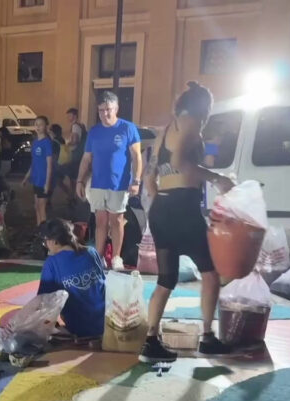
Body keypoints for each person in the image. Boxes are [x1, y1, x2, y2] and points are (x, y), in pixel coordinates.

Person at [141, 81, 236, 364]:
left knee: (165, 280)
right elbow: (180, 161)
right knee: (211, 273)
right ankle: (207, 337)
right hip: (183, 208)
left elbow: (149, 177)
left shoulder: (165, 131)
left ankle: (150, 341)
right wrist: (217, 178)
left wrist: (161, 202)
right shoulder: (191, 124)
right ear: (203, 109)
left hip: (162, 208)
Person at [76, 91, 144, 271]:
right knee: (100, 221)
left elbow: (137, 156)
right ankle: (99, 258)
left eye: (108, 109)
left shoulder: (127, 128)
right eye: (101, 110)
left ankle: (116, 257)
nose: (104, 114)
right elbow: (86, 158)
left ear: (116, 108)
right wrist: (79, 181)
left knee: (117, 221)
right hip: (98, 183)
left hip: (119, 184)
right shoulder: (94, 132)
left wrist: (136, 181)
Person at [38, 219, 105, 339]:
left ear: (54, 241)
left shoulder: (52, 263)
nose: (46, 246)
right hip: (107, 322)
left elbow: (43, 301)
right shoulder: (91, 252)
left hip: (79, 328)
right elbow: (103, 284)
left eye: (45, 242)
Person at [22, 116, 54, 227]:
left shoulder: (47, 143)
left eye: (41, 124)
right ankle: (39, 228)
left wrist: (47, 183)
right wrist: (26, 177)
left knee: (42, 207)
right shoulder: (35, 142)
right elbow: (34, 162)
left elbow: (49, 164)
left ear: (45, 126)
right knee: (36, 206)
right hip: (36, 179)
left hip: (43, 179)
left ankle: (44, 232)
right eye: (36, 124)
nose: (38, 126)